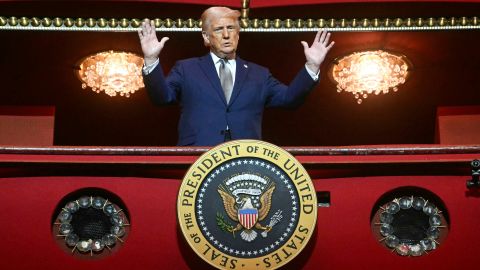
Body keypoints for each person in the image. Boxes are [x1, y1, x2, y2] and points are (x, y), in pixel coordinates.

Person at [138, 6, 334, 146]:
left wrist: (312, 65)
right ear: (206, 38)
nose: (226, 35)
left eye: (231, 29)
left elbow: (290, 99)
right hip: (198, 158)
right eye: (218, 29)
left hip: (244, 159)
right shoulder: (186, 68)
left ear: (238, 35)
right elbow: (161, 98)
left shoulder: (259, 74)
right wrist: (151, 60)